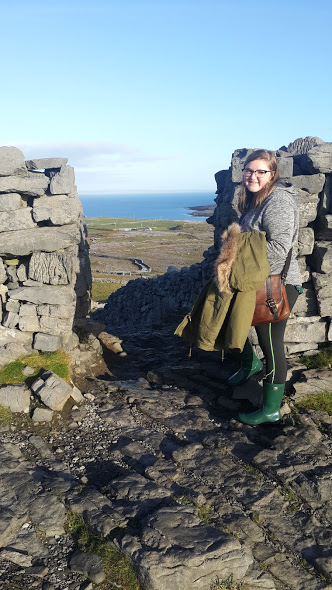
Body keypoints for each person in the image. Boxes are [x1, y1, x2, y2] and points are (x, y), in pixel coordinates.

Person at [227, 149, 303, 425]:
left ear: (273, 174)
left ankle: (271, 409)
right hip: (256, 280)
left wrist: (237, 258)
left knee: (271, 343)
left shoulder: (278, 201)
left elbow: (280, 247)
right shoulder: (257, 200)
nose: (253, 176)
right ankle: (250, 364)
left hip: (276, 284)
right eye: (249, 170)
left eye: (261, 171)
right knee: (229, 319)